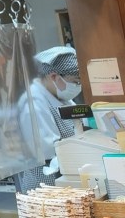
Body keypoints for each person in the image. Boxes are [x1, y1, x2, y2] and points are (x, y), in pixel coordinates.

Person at [15, 45, 83, 192]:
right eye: (75, 81)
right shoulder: (33, 102)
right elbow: (48, 151)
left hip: (66, 177)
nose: (78, 86)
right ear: (54, 77)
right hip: (46, 185)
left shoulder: (61, 96)